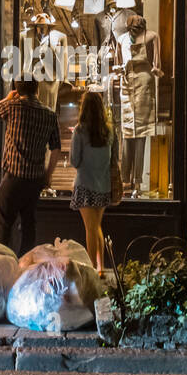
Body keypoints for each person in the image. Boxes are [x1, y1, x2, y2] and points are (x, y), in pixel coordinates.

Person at [0, 79, 61, 254]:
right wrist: (48, 175)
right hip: (35, 179)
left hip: (13, 177)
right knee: (28, 226)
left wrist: (7, 99)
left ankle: (2, 263)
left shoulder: (12, 106)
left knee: (2, 224)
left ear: (17, 90)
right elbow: (56, 148)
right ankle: (25, 266)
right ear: (37, 90)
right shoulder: (49, 114)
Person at [70, 92, 116, 276]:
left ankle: (90, 270)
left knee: (90, 228)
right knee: (97, 226)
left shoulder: (80, 131)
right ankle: (100, 267)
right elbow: (115, 158)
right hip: (103, 186)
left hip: (84, 185)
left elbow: (74, 161)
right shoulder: (110, 131)